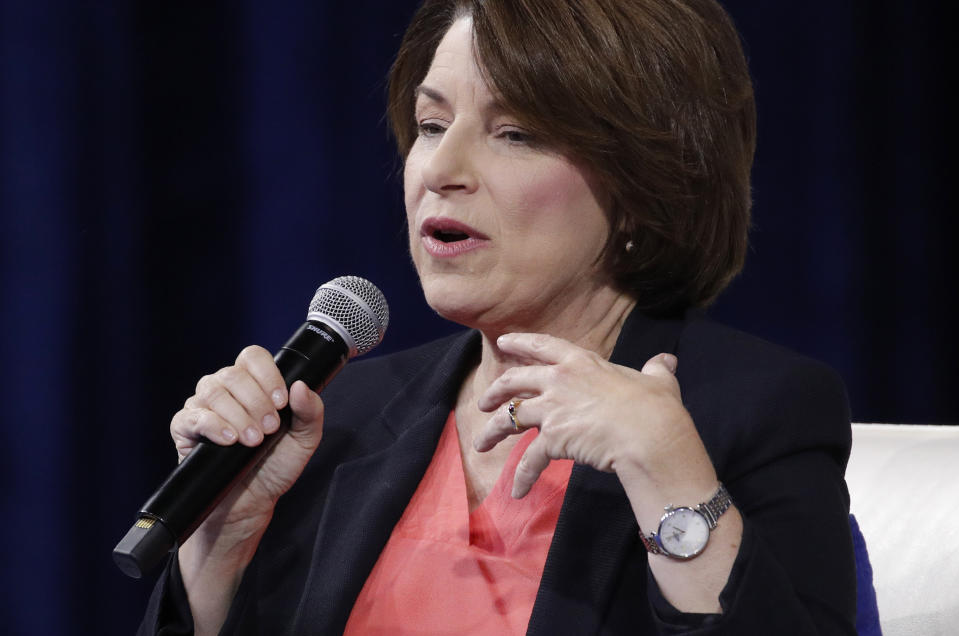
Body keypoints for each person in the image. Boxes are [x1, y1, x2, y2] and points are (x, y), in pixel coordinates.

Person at [139, 0, 856, 634]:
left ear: (645, 185)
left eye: (514, 133)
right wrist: (223, 546)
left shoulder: (744, 414)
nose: (439, 168)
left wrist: (669, 477)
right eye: (429, 124)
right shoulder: (339, 416)